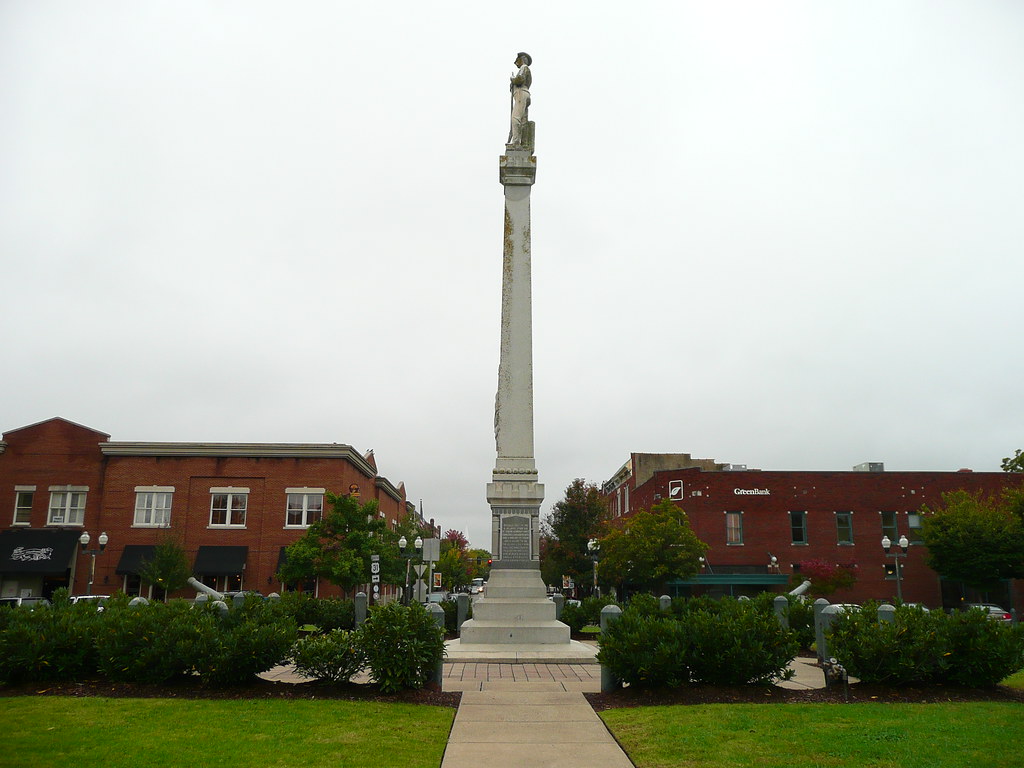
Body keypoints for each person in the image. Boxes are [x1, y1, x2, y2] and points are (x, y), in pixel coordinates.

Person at [507, 52, 532, 146]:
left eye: (517, 60)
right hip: (525, 94)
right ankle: (524, 143)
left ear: (522, 59)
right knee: (523, 121)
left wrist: (512, 79)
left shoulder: (524, 67)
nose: (515, 62)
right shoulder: (525, 69)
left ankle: (516, 142)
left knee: (515, 118)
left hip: (521, 93)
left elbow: (520, 79)